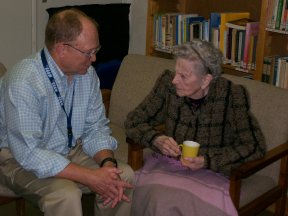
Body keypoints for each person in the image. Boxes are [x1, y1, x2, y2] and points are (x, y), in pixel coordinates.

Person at [0, 8, 134, 216]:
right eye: (88, 52)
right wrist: (90, 177)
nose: (94, 59)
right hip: (16, 158)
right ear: (62, 49)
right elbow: (29, 153)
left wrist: (107, 165)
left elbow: (95, 127)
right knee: (66, 194)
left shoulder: (86, 74)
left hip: (67, 148)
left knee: (122, 175)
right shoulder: (23, 81)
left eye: (95, 49)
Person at [124, 40, 266, 215]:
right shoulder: (167, 84)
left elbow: (253, 146)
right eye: (176, 72)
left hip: (210, 173)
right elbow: (133, 121)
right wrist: (156, 139)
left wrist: (207, 160)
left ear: (206, 79)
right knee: (156, 198)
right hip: (168, 165)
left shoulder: (231, 95)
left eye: (183, 76)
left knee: (188, 204)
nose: (175, 80)